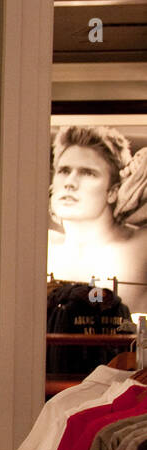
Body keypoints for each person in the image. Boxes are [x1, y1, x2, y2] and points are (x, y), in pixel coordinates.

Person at [47, 124, 147, 314]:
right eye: (64, 171)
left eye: (87, 173)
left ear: (113, 191)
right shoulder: (40, 246)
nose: (70, 183)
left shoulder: (141, 247)